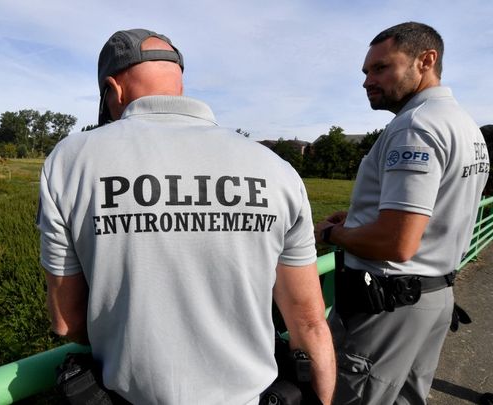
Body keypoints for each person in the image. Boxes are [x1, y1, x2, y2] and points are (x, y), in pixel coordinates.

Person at [37, 28, 335, 404]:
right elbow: (309, 323)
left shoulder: (69, 162)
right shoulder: (277, 170)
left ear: (114, 90)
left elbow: (67, 321)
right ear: (178, 82)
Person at [315, 22, 489, 404]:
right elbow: (437, 207)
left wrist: (330, 235)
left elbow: (397, 242)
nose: (367, 81)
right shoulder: (465, 126)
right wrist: (360, 220)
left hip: (386, 309)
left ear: (426, 61)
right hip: (433, 296)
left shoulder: (415, 127)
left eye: (381, 68)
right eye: (365, 72)